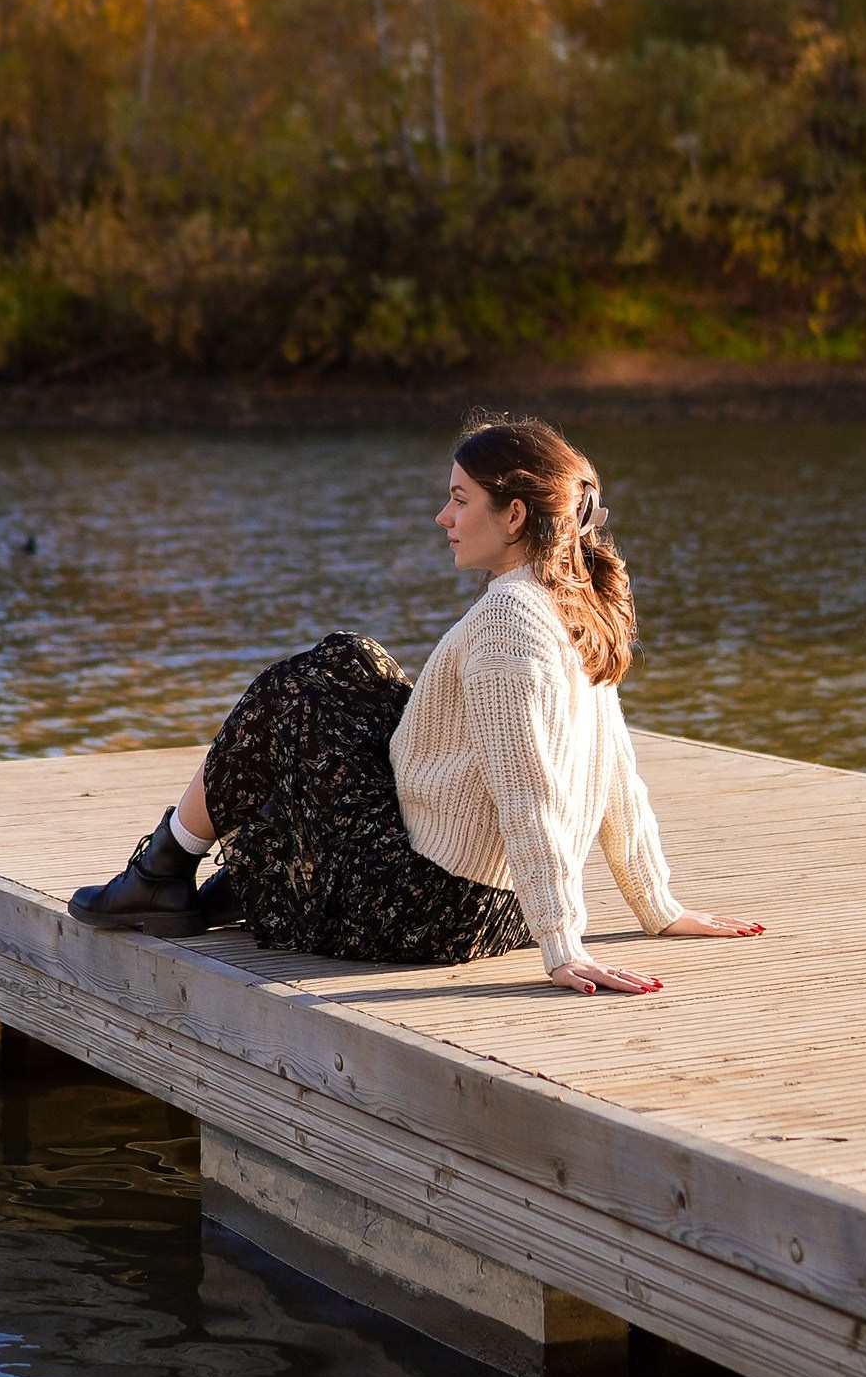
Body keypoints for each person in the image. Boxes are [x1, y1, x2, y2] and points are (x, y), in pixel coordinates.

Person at [70, 413, 761, 995]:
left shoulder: (508, 623)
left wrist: (562, 944)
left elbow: (530, 791)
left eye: (460, 499)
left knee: (298, 687)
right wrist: (656, 905)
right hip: (499, 907)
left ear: (514, 514)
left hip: (428, 907)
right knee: (352, 665)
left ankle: (163, 869)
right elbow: (615, 770)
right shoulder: (577, 602)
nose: (444, 517)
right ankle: (229, 876)